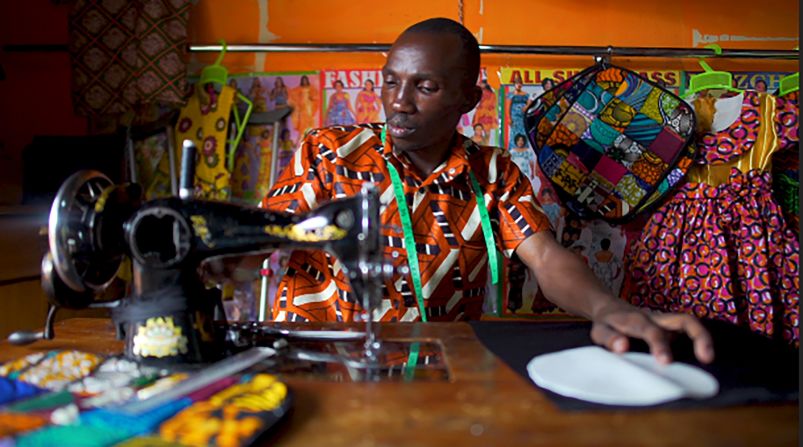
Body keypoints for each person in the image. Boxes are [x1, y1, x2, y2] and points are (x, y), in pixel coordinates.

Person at [259, 18, 714, 365]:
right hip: (317, 361)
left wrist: (605, 306)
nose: (399, 101)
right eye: (391, 81)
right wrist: (231, 260)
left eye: (426, 86)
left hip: (434, 373)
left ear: (468, 100)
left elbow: (546, 258)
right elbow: (263, 234)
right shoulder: (330, 153)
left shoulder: (494, 174)